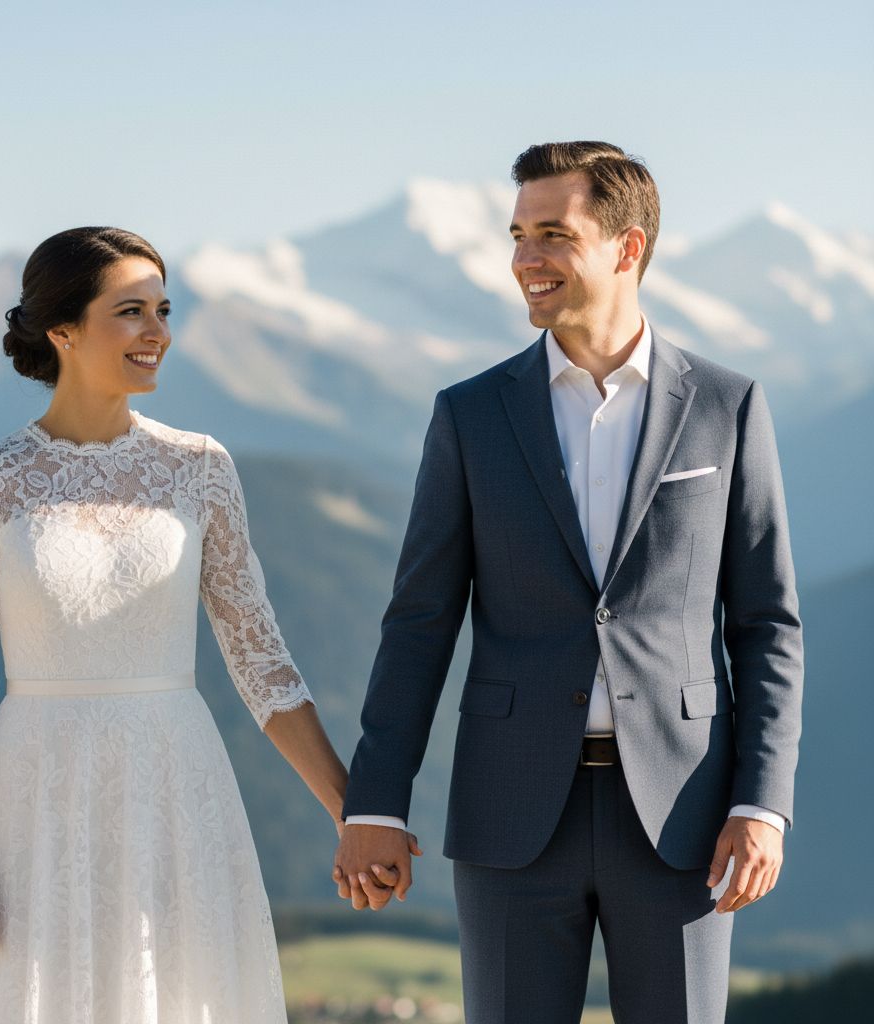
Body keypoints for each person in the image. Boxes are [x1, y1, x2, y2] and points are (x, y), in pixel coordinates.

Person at [334, 142, 804, 1023]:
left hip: (687, 820)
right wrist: (376, 802)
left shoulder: (726, 406)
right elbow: (420, 622)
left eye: (553, 234)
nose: (525, 260)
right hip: (510, 816)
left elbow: (767, 624)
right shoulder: (470, 413)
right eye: (517, 235)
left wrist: (762, 803)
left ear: (627, 249)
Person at [0, 226, 399, 1023]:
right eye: (131, 311)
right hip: (34, 799)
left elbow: (262, 662)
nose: (158, 334)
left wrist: (353, 814)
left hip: (177, 787)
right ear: (63, 329)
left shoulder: (201, 468)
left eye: (163, 311)